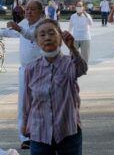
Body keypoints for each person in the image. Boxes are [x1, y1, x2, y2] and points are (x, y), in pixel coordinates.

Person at [22, 19, 88, 155]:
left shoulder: (69, 63)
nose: (47, 38)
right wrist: (24, 123)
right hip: (39, 132)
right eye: (42, 35)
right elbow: (27, 99)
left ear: (60, 39)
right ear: (37, 41)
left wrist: (72, 48)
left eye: (52, 33)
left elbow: (81, 69)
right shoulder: (31, 68)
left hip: (68, 130)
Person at [0, 0, 43, 149]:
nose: (29, 12)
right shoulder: (24, 23)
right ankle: (25, 137)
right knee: (23, 104)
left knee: (40, 103)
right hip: (25, 70)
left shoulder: (44, 25)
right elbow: (10, 32)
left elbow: (31, 35)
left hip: (41, 70)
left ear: (40, 12)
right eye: (27, 9)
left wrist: (19, 29)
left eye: (32, 9)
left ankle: (41, 135)